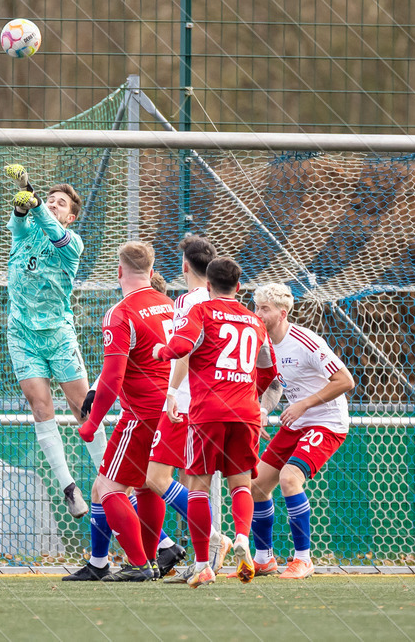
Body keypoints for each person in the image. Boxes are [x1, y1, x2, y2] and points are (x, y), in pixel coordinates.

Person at [152, 257, 280, 588]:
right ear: (239, 288)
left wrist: (161, 351)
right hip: (246, 412)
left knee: (198, 485)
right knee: (240, 484)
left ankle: (202, 565)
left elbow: (182, 346)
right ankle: (240, 536)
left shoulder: (201, 311)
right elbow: (268, 371)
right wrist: (252, 391)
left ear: (208, 286)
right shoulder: (256, 322)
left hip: (209, 412)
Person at [0, 163, 105, 519]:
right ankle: (68, 487)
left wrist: (31, 190)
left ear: (71, 217)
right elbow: (20, 222)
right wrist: (21, 205)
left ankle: (109, 476)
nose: (52, 205)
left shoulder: (71, 243)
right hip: (22, 334)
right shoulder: (24, 233)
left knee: (83, 410)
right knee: (40, 407)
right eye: (50, 199)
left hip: (58, 335)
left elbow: (48, 223)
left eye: (60, 203)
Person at [65, 242, 173, 582]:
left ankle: (140, 564)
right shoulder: (170, 306)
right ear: (152, 272)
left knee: (108, 488)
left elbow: (113, 377)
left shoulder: (121, 312)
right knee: (145, 487)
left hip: (141, 414)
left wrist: (92, 422)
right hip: (173, 412)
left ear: (118, 271)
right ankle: (151, 560)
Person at [249, 283, 354, 579]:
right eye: (256, 307)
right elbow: (274, 384)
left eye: (264, 309)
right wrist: (263, 410)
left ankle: (303, 560)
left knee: (289, 478)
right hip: (297, 421)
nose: (258, 314)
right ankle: (264, 560)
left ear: (282, 314)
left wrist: (304, 405)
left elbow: (345, 381)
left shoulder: (305, 341)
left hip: (326, 421)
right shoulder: (265, 343)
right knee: (257, 484)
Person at [145, 236, 231, 583]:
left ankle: (215, 539)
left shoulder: (188, 301)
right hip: (215, 400)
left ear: (184, 266)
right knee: (189, 480)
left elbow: (184, 350)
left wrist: (170, 391)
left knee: (155, 478)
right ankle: (202, 563)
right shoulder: (220, 300)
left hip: (185, 399)